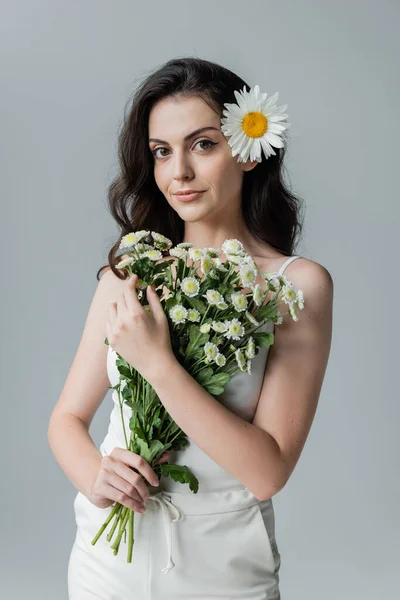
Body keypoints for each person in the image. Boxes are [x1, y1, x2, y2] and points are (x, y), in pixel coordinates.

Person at [48, 57, 333, 599]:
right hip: (105, 567)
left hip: (223, 574)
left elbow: (268, 471)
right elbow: (66, 419)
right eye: (161, 151)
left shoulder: (295, 287)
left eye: (203, 144)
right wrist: (96, 476)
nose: (178, 171)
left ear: (247, 151)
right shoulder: (129, 272)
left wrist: (157, 363)